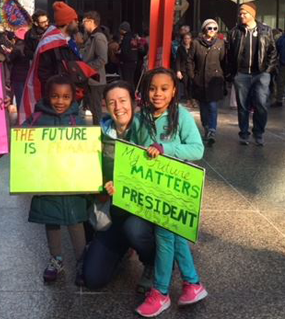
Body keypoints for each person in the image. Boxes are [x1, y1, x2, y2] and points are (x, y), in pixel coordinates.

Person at [124, 68, 206, 317]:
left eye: (163, 88)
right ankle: (192, 283)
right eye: (152, 88)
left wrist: (165, 148)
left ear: (173, 92)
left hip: (175, 190)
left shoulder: (181, 116)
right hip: (150, 191)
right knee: (175, 235)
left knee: (164, 235)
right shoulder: (141, 118)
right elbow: (133, 150)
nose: (157, 93)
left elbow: (197, 150)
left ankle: (160, 292)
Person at [83, 80, 156, 293]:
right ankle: (122, 249)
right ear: (105, 106)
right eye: (111, 102)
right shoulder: (98, 135)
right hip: (112, 213)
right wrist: (101, 189)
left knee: (135, 229)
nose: (118, 107)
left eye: (123, 100)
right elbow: (87, 173)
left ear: (133, 102)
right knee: (93, 279)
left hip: (141, 213)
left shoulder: (147, 130)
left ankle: (152, 261)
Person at [23, 75, 87, 286]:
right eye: (55, 96)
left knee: (75, 221)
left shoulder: (77, 118)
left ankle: (81, 261)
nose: (60, 101)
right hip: (47, 181)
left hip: (72, 181)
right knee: (51, 221)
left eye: (66, 97)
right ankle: (56, 260)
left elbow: (88, 145)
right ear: (47, 96)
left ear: (73, 98)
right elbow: (21, 138)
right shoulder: (37, 118)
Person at [228, 2, 278, 146]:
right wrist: (231, 74)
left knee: (261, 104)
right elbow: (230, 55)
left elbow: (272, 52)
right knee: (242, 107)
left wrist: (268, 70)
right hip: (242, 74)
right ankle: (244, 134)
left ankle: (258, 133)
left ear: (252, 14)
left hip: (261, 74)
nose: (241, 16)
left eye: (244, 13)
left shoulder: (266, 30)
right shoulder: (235, 32)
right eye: (240, 13)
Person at [187, 19, 226, 145]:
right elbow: (190, 60)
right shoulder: (196, 43)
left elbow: (223, 61)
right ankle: (206, 128)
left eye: (215, 28)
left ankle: (212, 130)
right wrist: (192, 75)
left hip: (214, 80)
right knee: (203, 107)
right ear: (204, 29)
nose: (212, 31)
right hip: (200, 80)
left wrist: (223, 75)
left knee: (213, 106)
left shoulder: (220, 43)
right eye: (210, 28)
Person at [81, 11, 108, 125]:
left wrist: (85, 68)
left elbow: (102, 59)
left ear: (91, 21)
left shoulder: (98, 37)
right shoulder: (91, 37)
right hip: (90, 80)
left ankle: (100, 134)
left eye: (84, 21)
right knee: (92, 109)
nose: (83, 24)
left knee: (96, 110)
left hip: (96, 81)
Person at [175, 32, 195, 108]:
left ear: (191, 39)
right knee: (186, 85)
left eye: (188, 38)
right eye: (185, 38)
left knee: (192, 84)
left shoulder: (193, 47)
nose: (187, 40)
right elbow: (178, 60)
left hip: (192, 68)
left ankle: (193, 99)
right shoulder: (180, 48)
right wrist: (178, 71)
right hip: (183, 69)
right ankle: (188, 100)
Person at [118, 21, 138, 87]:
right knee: (131, 79)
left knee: (126, 80)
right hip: (134, 60)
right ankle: (132, 93)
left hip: (126, 62)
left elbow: (124, 51)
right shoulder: (133, 37)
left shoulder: (126, 38)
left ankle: (128, 93)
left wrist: (120, 58)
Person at [273, 30, 285, 107]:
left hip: (282, 63)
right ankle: (279, 100)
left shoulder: (281, 39)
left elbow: (276, 50)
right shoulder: (281, 39)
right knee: (280, 82)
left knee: (280, 82)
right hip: (282, 63)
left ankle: (279, 100)